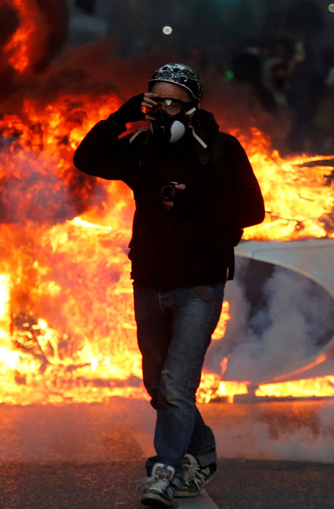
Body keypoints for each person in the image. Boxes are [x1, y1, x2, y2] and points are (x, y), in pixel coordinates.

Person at [73, 63, 265, 508]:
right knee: (157, 384)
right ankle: (203, 451)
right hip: (150, 280)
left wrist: (191, 199)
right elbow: (87, 159)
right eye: (153, 100)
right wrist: (121, 118)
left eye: (170, 102)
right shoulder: (142, 147)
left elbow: (252, 210)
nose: (160, 110)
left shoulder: (221, 149)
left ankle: (165, 470)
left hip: (199, 285)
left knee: (177, 387)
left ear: (192, 106)